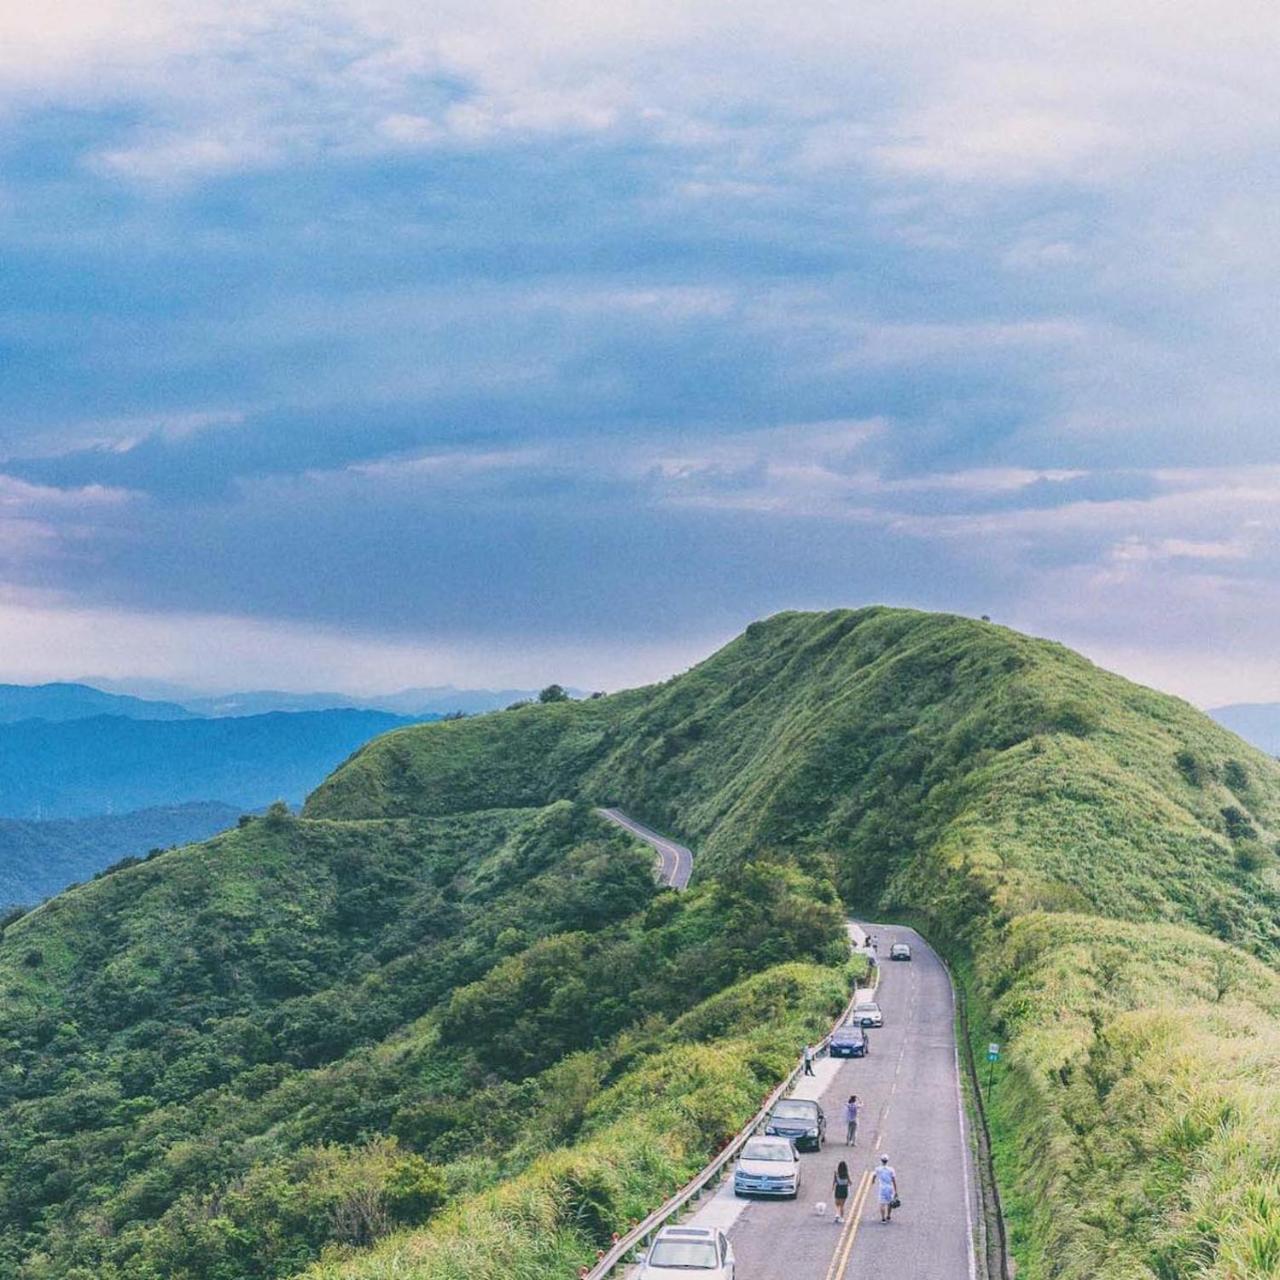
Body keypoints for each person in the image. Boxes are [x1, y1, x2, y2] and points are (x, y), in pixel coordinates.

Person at [875, 1153, 898, 1222]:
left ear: (881, 1160)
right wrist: (896, 1190)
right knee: (889, 1202)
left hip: (882, 1187)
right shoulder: (891, 1170)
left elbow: (874, 1175)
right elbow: (893, 1180)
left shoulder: (878, 1169)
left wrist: (873, 1181)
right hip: (889, 1187)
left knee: (882, 1203)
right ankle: (888, 1215)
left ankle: (883, 1218)